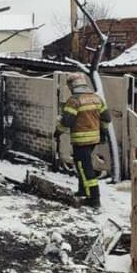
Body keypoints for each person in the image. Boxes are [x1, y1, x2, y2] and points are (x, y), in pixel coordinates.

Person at [55, 72, 111, 208]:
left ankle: (94, 198)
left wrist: (58, 132)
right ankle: (82, 190)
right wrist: (102, 133)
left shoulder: (74, 100)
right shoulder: (97, 98)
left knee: (85, 168)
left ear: (72, 85)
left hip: (81, 141)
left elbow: (66, 122)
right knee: (82, 166)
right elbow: (107, 118)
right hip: (93, 140)